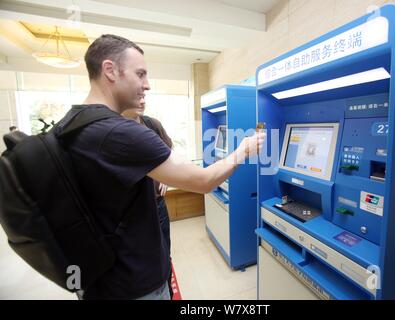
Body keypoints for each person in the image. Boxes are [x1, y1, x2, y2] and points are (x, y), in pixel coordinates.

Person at [67, 34, 264, 300]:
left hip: (98, 276)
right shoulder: (118, 132)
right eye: (140, 74)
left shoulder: (73, 122)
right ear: (110, 70)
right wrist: (244, 150)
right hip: (133, 281)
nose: (146, 85)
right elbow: (204, 181)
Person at [121, 98, 174, 298]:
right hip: (132, 211)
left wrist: (167, 178)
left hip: (157, 204)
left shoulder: (152, 125)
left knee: (164, 252)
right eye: (137, 95)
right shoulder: (112, 130)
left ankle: (166, 290)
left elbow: (169, 152)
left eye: (144, 96)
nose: (142, 99)